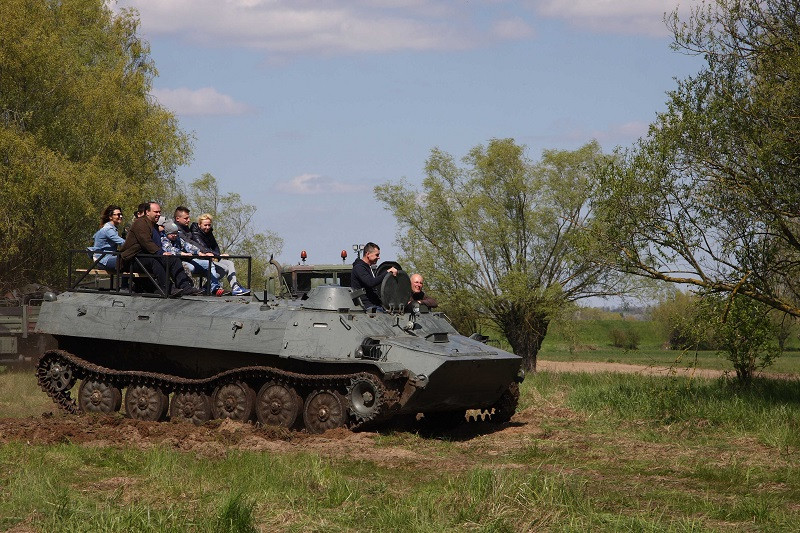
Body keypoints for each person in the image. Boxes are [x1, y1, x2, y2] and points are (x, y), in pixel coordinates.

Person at [119, 202, 202, 296]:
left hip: (146, 256)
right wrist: (160, 252)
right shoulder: (140, 223)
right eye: (156, 212)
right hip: (132, 259)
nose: (158, 214)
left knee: (174, 259)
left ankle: (185, 287)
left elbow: (157, 243)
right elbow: (146, 242)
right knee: (155, 261)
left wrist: (164, 253)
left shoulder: (153, 225)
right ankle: (167, 288)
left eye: (159, 212)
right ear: (147, 212)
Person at [190, 213, 250, 295]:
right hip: (202, 259)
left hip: (211, 257)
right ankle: (206, 287)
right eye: (205, 225)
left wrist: (218, 256)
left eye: (209, 225)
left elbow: (215, 247)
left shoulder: (209, 232)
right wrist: (218, 255)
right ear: (199, 225)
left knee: (229, 263)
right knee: (224, 268)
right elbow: (203, 248)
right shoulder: (195, 234)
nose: (207, 227)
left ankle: (235, 287)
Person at [161, 220, 222, 295]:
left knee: (209, 264)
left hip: (186, 259)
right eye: (172, 234)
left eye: (176, 233)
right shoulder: (164, 240)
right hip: (175, 262)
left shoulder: (178, 239)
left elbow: (188, 246)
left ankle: (214, 288)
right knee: (190, 267)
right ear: (167, 233)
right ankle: (187, 287)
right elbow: (169, 249)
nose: (175, 235)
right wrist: (182, 253)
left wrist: (199, 252)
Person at [351, 242, 397, 310]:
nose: (378, 257)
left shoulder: (368, 268)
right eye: (377, 255)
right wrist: (387, 272)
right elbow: (370, 282)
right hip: (366, 306)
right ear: (368, 254)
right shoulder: (359, 268)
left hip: (374, 304)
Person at [90, 205, 125, 270]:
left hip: (107, 257)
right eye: (118, 214)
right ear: (110, 217)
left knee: (129, 261)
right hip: (103, 260)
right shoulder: (108, 229)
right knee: (129, 261)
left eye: (121, 214)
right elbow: (123, 243)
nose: (121, 216)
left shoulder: (112, 229)